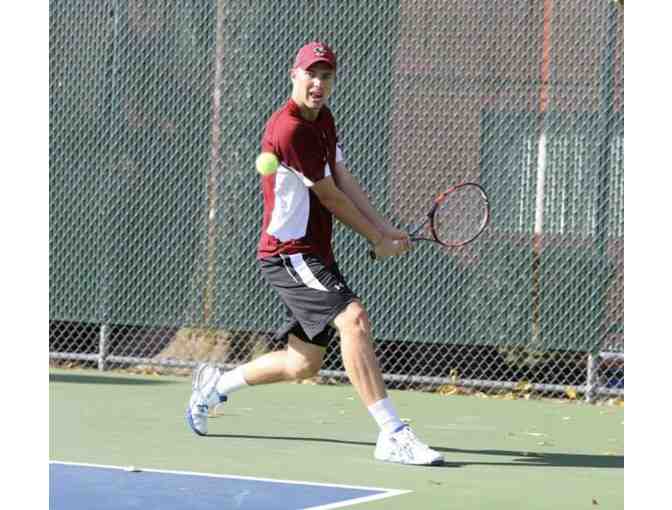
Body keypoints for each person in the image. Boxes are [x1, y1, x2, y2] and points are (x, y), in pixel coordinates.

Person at [186, 42, 443, 466]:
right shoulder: (290, 130)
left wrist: (385, 228)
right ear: (294, 75)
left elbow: (342, 176)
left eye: (326, 76)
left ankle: (215, 384)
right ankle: (392, 433)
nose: (318, 83)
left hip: (313, 254)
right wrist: (374, 238)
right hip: (290, 254)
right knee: (353, 320)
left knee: (302, 363)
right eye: (311, 74)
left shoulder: (323, 118)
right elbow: (330, 198)